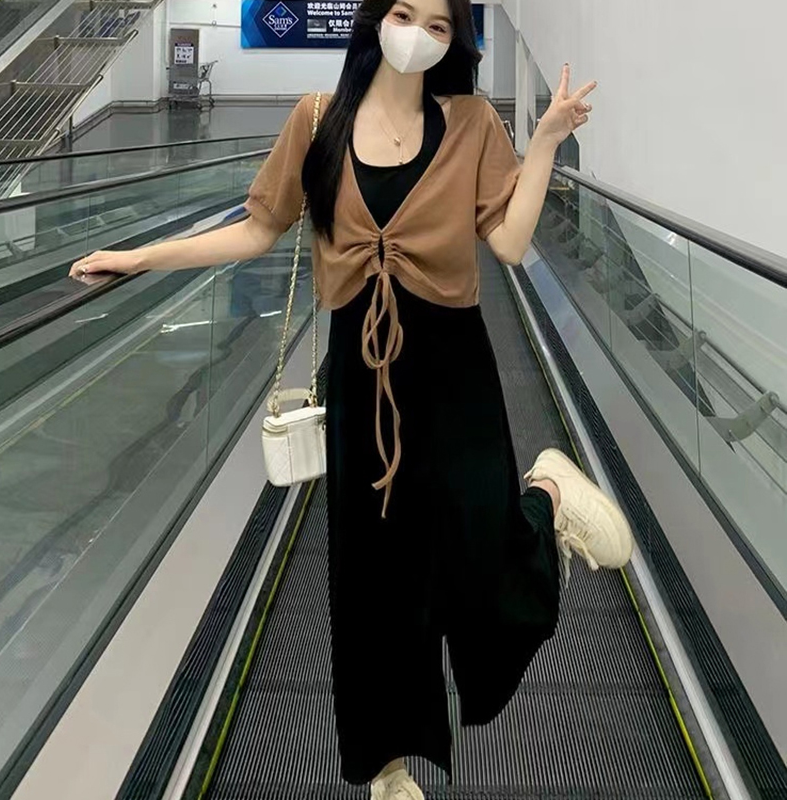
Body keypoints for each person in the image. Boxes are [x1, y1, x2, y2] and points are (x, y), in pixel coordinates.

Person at [71, 0, 633, 796]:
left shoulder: (472, 122)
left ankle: (545, 495)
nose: (417, 34)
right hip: (363, 381)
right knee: (374, 580)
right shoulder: (317, 121)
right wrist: (140, 257)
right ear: (375, 20)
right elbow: (257, 229)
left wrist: (543, 140)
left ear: (454, 41)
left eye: (437, 24)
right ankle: (387, 768)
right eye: (404, 12)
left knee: (479, 562)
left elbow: (508, 242)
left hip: (455, 368)